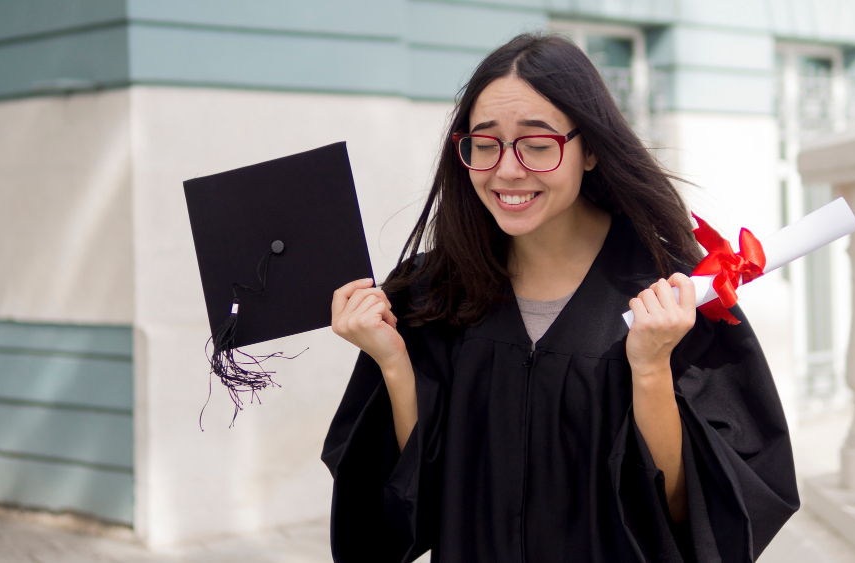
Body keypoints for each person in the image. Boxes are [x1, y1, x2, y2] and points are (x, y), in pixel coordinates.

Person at [322, 33, 798, 563]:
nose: (507, 169)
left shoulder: (673, 296)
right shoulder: (435, 294)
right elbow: (423, 503)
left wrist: (650, 368)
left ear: (589, 147)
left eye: (538, 144)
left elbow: (688, 518)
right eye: (485, 143)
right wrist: (392, 363)